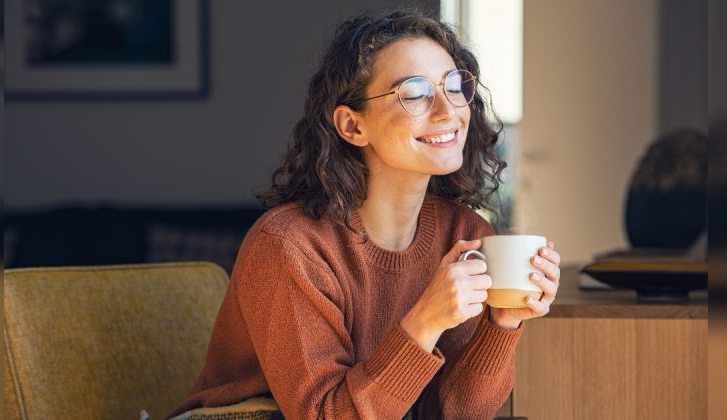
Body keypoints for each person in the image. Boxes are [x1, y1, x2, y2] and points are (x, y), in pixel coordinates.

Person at [166, 9, 561, 420]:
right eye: (414, 92)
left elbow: (449, 413)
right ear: (353, 127)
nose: (448, 111)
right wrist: (424, 321)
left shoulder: (464, 233)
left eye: (454, 85)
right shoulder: (289, 246)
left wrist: (502, 324)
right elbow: (324, 416)